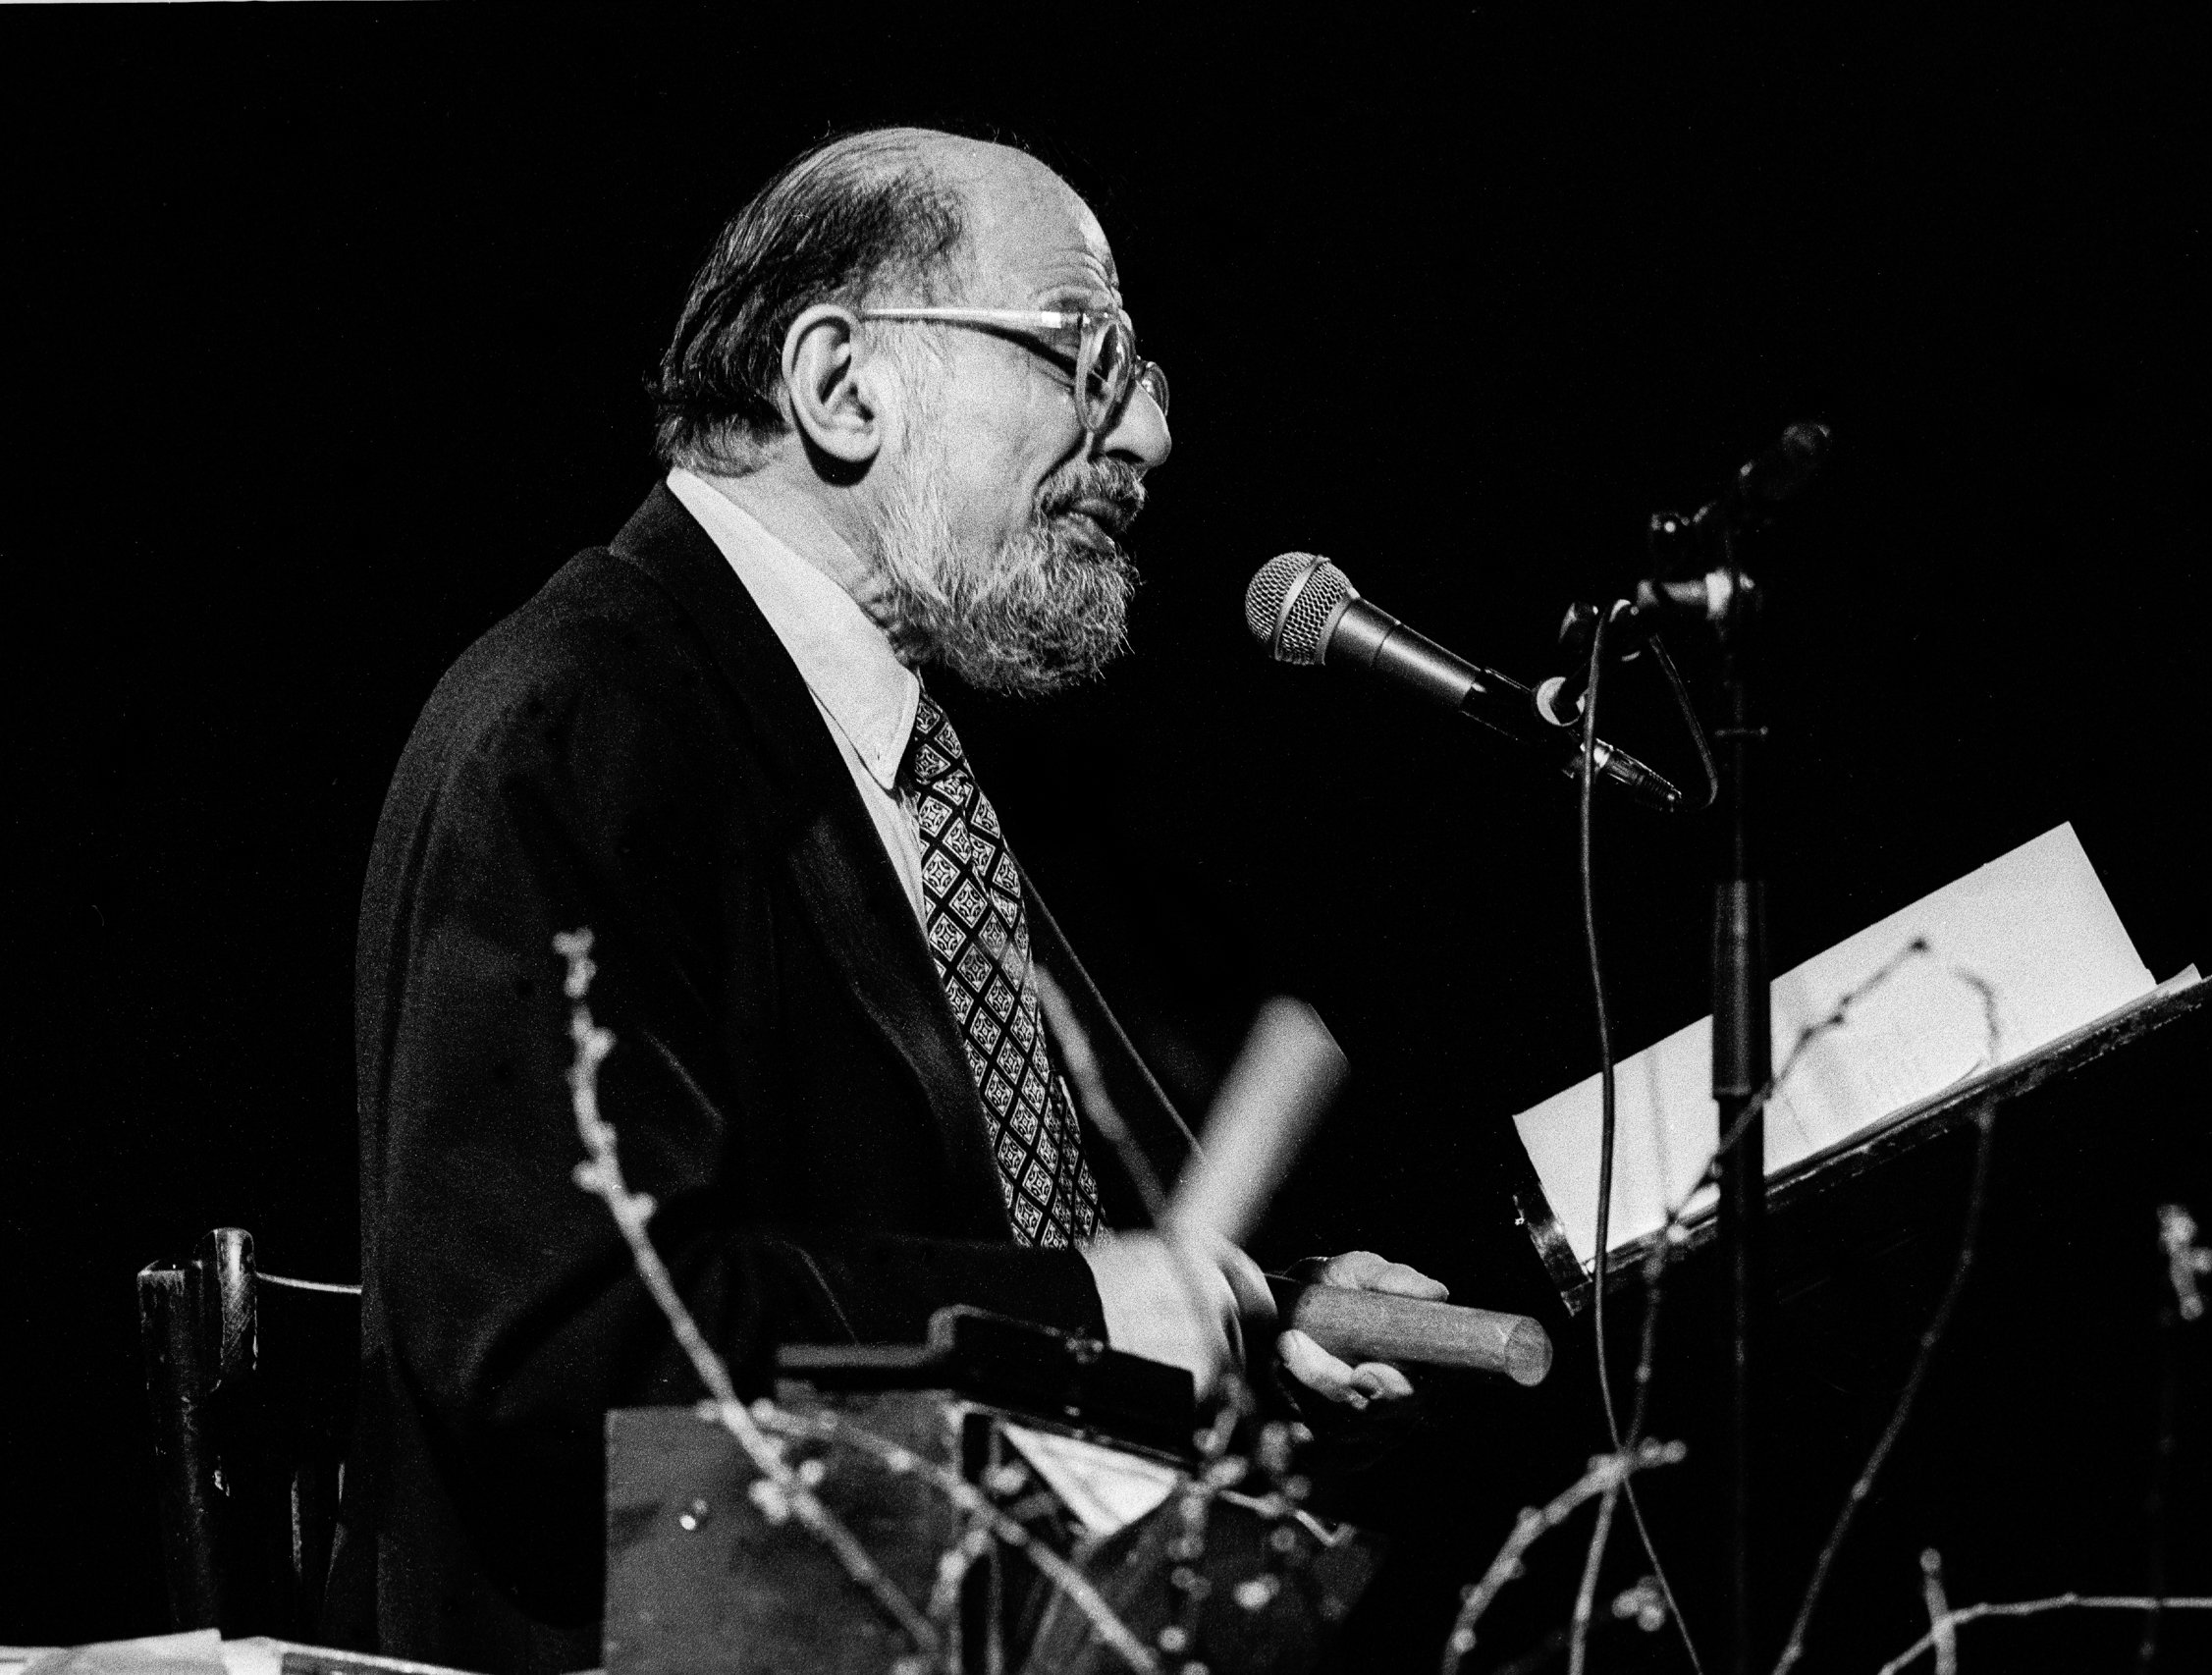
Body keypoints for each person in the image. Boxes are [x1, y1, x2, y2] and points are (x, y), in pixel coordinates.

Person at [339, 127, 1442, 1672]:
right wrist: (1086, 1308)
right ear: (842, 384)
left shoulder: (892, 753)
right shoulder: (583, 726)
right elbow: (564, 1353)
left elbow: (965, 1252)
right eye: (1084, 353)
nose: (1146, 439)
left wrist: (1263, 1321)